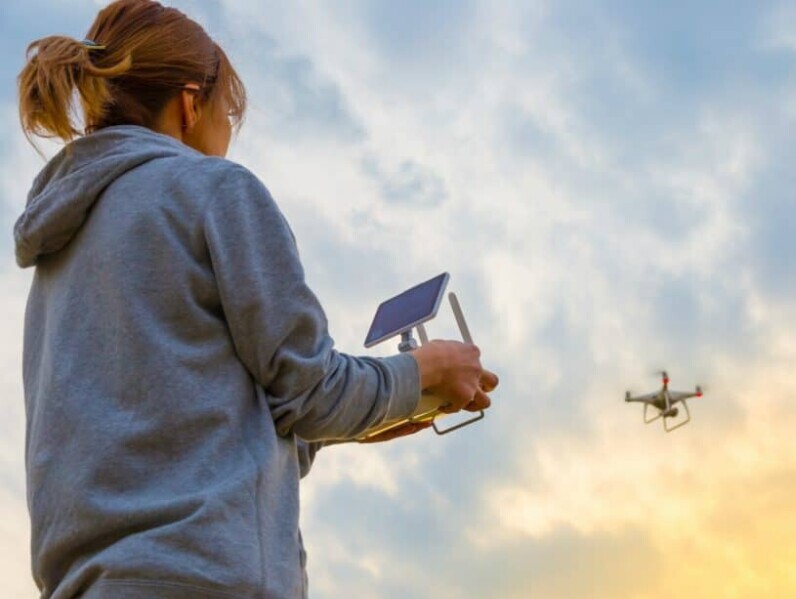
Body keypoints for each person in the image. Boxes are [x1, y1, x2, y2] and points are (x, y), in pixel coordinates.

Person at [14, 1, 499, 597]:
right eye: (228, 114)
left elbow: (189, 428)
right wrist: (429, 368)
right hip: (208, 578)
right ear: (191, 103)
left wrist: (393, 399)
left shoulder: (59, 251)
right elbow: (313, 392)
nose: (226, 138)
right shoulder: (214, 190)